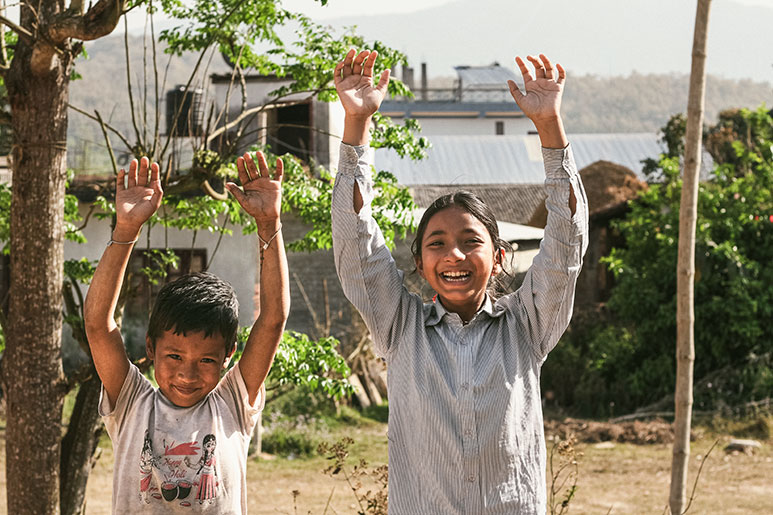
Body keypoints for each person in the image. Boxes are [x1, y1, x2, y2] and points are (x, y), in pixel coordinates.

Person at [331, 48, 588, 513]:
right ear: (419, 261)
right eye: (436, 243)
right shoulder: (400, 326)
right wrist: (357, 126)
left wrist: (549, 127)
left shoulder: (527, 327)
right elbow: (356, 242)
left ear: (499, 256)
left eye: (471, 241)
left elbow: (567, 239)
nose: (454, 255)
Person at [84, 151, 289, 513]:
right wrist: (126, 229)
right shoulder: (132, 404)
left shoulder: (231, 405)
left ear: (229, 356)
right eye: (175, 355)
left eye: (207, 359)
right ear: (151, 347)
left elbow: (273, 318)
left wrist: (269, 224)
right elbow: (98, 324)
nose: (187, 373)